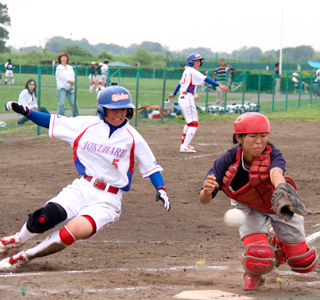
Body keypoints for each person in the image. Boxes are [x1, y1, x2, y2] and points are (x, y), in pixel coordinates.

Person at [1, 85, 171, 271]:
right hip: (83, 187)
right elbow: (52, 121)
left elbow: (151, 167)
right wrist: (26, 112)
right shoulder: (86, 125)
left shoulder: (133, 138)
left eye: (123, 109)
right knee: (45, 217)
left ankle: (24, 256)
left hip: (108, 201)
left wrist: (160, 189)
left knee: (72, 231)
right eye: (113, 109)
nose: (119, 114)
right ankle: (16, 240)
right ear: (102, 109)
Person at [199, 112, 318, 291]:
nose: (259, 141)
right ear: (239, 138)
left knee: (302, 261)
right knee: (258, 256)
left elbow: (275, 172)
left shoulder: (273, 153)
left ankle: (278, 246)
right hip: (247, 208)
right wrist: (207, 191)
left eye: (263, 135)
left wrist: (281, 188)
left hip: (278, 205)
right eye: (253, 136)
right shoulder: (228, 160)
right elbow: (204, 200)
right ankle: (254, 271)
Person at [168, 53, 229, 153]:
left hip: (183, 97)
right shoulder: (192, 71)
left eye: (199, 61)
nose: (199, 63)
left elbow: (180, 83)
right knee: (194, 123)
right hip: (187, 98)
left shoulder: (187, 71)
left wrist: (174, 93)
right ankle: (185, 146)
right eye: (196, 61)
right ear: (191, 62)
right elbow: (206, 79)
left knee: (189, 122)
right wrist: (220, 85)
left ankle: (184, 144)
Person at [56, 52, 79, 117]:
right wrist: (69, 81)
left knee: (74, 103)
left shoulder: (70, 67)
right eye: (62, 57)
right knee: (61, 103)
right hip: (62, 87)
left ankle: (76, 117)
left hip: (70, 88)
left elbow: (73, 76)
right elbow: (61, 77)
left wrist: (72, 84)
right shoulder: (59, 67)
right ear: (60, 59)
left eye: (65, 57)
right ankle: (61, 117)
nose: (64, 59)